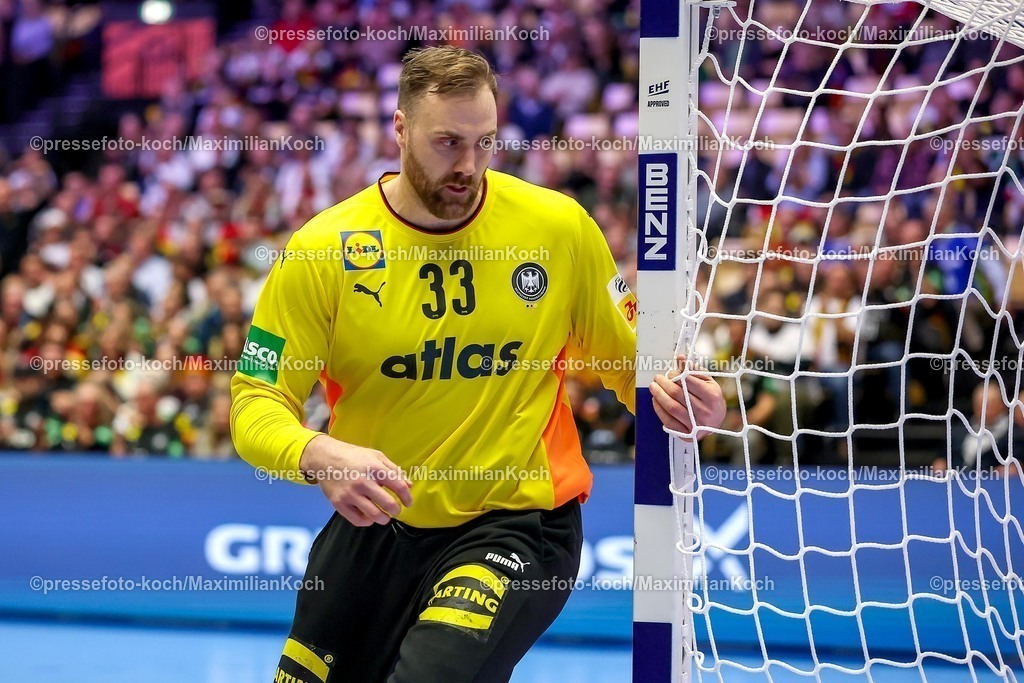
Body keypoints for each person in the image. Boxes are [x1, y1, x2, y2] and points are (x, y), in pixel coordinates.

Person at [230, 46, 726, 683]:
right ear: (400, 129)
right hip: (380, 525)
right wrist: (320, 454)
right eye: (447, 142)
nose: (468, 165)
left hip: (517, 525)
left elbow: (630, 365)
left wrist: (685, 392)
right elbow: (255, 403)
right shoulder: (322, 251)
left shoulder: (556, 229)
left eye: (484, 141)